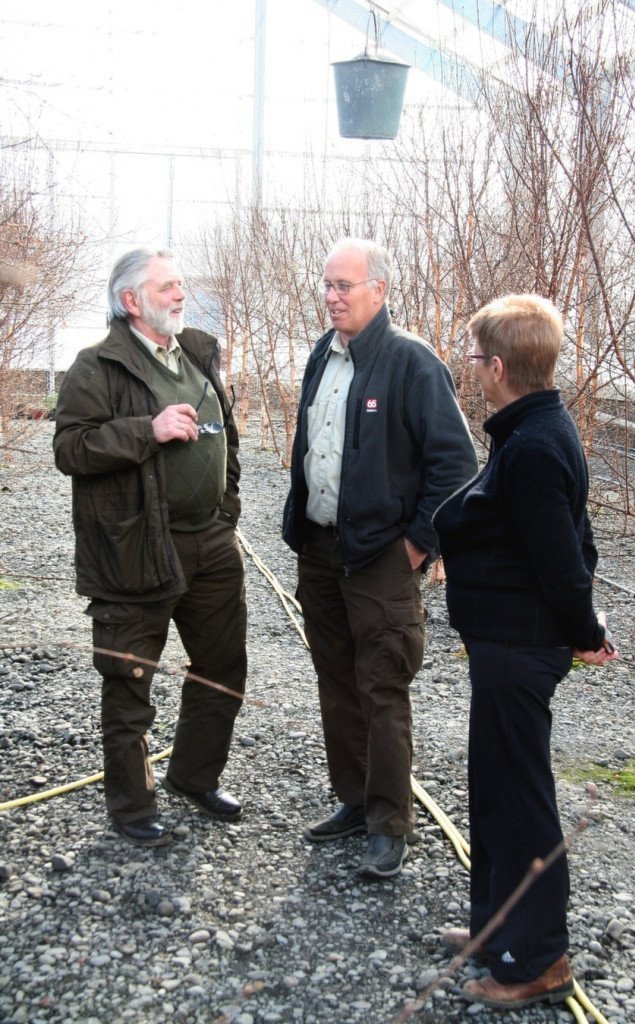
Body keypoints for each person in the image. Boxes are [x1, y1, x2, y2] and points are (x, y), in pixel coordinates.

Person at [433, 294, 618, 1007]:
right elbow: (575, 534)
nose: (472, 368)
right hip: (503, 647)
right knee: (495, 791)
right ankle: (494, 932)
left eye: (476, 357)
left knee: (520, 803)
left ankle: (536, 959)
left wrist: (583, 631)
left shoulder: (536, 443)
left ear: (500, 366)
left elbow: (561, 558)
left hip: (518, 648)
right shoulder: (533, 429)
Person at [282, 238, 478, 880]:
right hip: (320, 549)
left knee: (382, 685)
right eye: (327, 285)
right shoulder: (323, 354)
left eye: (345, 285)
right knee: (336, 682)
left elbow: (456, 464)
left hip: (381, 558)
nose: (333, 297)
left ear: (380, 290)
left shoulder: (411, 362)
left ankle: (389, 824)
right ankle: (354, 798)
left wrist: (418, 545)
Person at [53, 246, 247, 848]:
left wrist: (226, 505)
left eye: (181, 284)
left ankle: (193, 777)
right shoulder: (97, 366)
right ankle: (133, 807)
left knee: (222, 670)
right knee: (130, 678)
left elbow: (226, 439)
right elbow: (71, 449)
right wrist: (149, 430)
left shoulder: (197, 352)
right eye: (167, 287)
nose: (180, 294)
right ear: (131, 301)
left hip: (211, 543)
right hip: (135, 548)